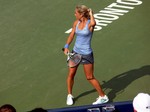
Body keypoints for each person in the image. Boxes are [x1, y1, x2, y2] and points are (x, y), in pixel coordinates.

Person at [63, 4, 109, 106]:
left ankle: (103, 96)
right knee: (71, 74)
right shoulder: (76, 23)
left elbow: (94, 22)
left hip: (87, 54)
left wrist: (91, 14)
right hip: (75, 52)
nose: (74, 14)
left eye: (76, 13)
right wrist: (66, 46)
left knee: (89, 77)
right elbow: (72, 34)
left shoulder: (90, 24)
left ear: (81, 14)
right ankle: (69, 95)